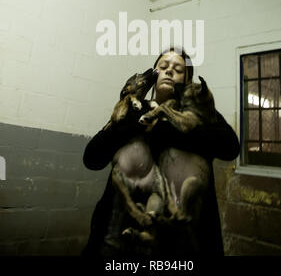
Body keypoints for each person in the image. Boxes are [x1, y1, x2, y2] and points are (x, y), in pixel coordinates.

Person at [81, 48, 240, 258]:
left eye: (178, 69)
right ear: (154, 74)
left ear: (188, 79)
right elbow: (92, 158)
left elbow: (230, 148)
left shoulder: (201, 113)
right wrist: (135, 123)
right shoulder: (133, 111)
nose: (169, 71)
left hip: (179, 243)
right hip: (120, 239)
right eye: (163, 67)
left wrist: (161, 128)